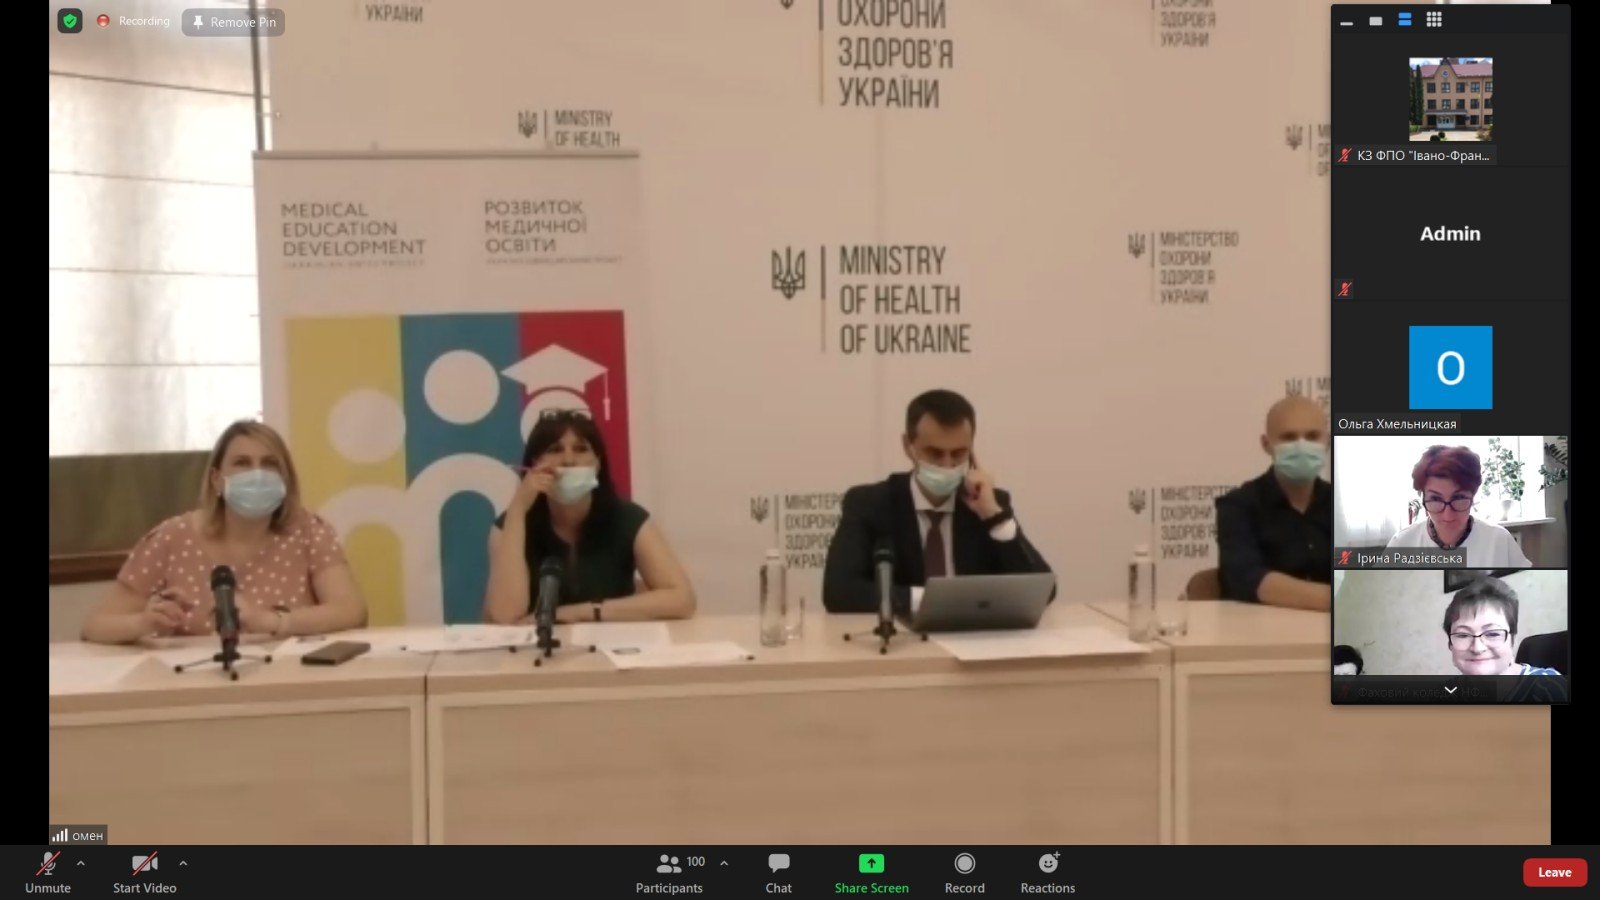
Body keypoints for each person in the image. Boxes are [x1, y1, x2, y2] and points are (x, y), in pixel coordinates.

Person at [82, 420, 368, 645]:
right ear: (217, 480)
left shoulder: (308, 532)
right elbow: (95, 626)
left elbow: (351, 610)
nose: (257, 474)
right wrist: (145, 623)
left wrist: (273, 622)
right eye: (242, 463)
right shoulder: (172, 537)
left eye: (269, 464)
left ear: (285, 479)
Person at [822, 389, 1052, 614]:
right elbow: (838, 592)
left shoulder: (988, 503)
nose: (947, 465)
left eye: (959, 453)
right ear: (908, 446)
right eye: (935, 453)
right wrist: (932, 599)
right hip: (906, 635)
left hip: (974, 636)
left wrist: (995, 518)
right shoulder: (871, 503)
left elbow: (1044, 591)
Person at [484, 410, 694, 624]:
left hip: (613, 643)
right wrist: (518, 509)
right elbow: (505, 615)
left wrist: (578, 612)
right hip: (535, 645)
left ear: (598, 462)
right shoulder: (509, 524)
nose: (568, 460)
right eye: (555, 450)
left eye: (581, 449)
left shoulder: (627, 518)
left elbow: (683, 599)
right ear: (534, 463)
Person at [1214, 395, 1332, 611]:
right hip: (1258, 629)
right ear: (1266, 444)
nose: (1301, 446)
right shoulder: (1238, 506)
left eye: (1312, 436)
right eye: (1289, 437)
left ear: (1327, 442)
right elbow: (1246, 578)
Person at [1386, 445, 1531, 567]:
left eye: (1459, 498)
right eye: (1435, 499)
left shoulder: (1499, 540)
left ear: (1473, 496)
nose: (1448, 515)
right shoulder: (1402, 543)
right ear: (1423, 497)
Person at [1443, 577, 1560, 676]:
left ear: (1512, 640)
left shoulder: (1548, 686)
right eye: (1463, 635)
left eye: (1492, 634)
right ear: (1450, 645)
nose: (1477, 648)